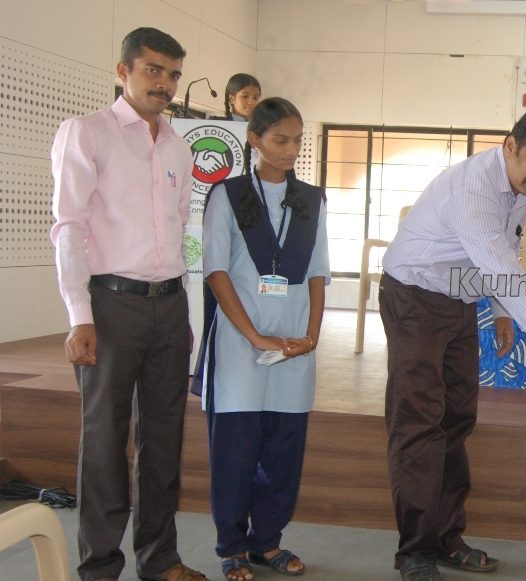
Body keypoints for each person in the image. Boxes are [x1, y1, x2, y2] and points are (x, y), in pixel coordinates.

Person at [379, 106, 526, 581]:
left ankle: (447, 538)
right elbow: (507, 274)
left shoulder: (518, 187)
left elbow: (503, 252)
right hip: (413, 298)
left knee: (457, 419)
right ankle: (414, 551)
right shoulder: (473, 190)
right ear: (509, 145)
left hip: (458, 301)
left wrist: (502, 312)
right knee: (418, 425)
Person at [50, 27, 207, 581]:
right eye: (153, 70)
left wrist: (187, 308)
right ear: (124, 71)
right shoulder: (87, 134)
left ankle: (160, 557)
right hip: (110, 307)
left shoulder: (178, 145)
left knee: (164, 437)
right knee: (104, 440)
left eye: (172, 74)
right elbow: (68, 226)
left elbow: (181, 226)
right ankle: (99, 566)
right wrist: (79, 315)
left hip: (169, 306)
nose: (163, 84)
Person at [193, 97, 328, 581]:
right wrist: (254, 335)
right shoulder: (227, 195)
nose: (291, 150)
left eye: (297, 140)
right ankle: (231, 545)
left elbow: (317, 273)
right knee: (235, 450)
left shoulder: (312, 199)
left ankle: (266, 542)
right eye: (280, 140)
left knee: (283, 451)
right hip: (239, 346)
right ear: (255, 139)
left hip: (294, 348)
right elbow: (216, 270)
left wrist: (310, 336)